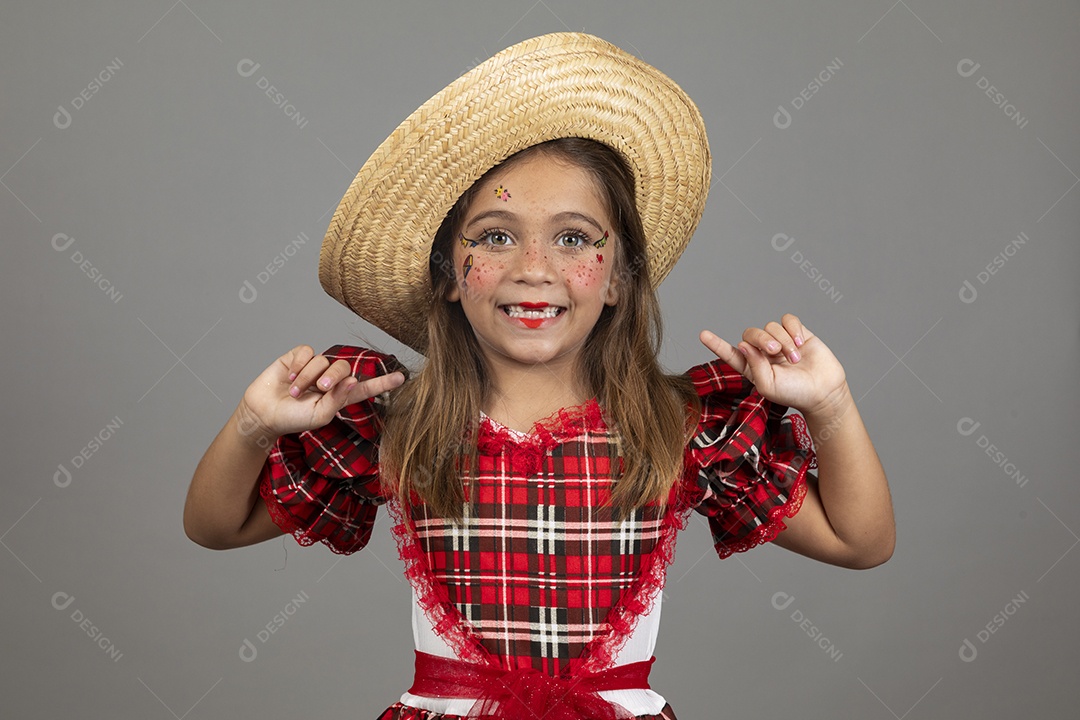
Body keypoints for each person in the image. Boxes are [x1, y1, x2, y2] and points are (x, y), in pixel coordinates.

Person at [184, 32, 894, 720]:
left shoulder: (682, 428)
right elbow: (214, 527)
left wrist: (829, 404)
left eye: (574, 238)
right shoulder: (394, 420)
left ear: (617, 276)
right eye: (495, 235)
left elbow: (861, 542)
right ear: (448, 278)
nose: (533, 267)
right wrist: (254, 425)